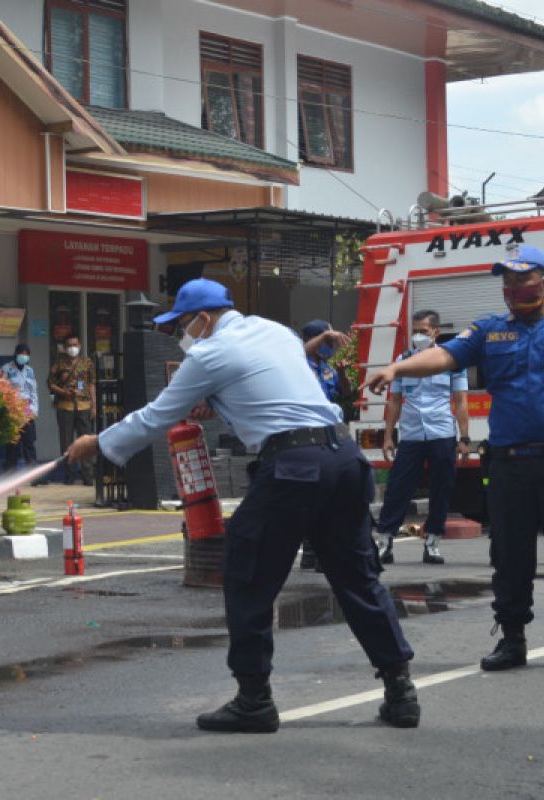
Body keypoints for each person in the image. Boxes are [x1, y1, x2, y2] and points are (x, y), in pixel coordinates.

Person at [66, 278, 419, 732]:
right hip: (343, 461)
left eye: (181, 327)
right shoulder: (275, 332)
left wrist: (97, 443)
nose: (181, 337)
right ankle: (400, 690)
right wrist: (220, 402)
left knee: (247, 572)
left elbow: (157, 416)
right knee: (357, 578)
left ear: (203, 319)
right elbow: (268, 385)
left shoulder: (209, 353)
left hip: (294, 466)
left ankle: (254, 699)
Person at [365, 245, 544, 673]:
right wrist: (398, 369)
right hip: (509, 465)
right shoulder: (490, 331)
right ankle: (512, 639)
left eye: (520, 279)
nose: (511, 288)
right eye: (506, 281)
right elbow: (447, 354)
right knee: (509, 552)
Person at [375, 310, 470, 565]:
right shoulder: (402, 361)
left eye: (423, 331)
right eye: (415, 330)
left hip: (442, 433)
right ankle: (385, 541)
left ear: (436, 332)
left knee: (442, 488)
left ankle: (433, 543)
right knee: (398, 488)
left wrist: (465, 437)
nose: (418, 336)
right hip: (412, 434)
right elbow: (394, 400)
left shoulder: (452, 361)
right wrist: (388, 436)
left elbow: (460, 401)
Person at [297, 319, 351, 570]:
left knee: (329, 494)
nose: (331, 347)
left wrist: (341, 373)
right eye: (327, 342)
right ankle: (311, 550)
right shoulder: (298, 362)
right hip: (306, 437)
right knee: (310, 495)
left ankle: (318, 551)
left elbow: (345, 393)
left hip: (330, 437)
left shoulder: (328, 369)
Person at [48, 334, 96, 486]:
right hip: (65, 406)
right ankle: (69, 476)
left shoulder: (87, 363)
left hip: (84, 406)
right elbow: (50, 384)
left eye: (75, 345)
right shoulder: (59, 364)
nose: (72, 348)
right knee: (66, 442)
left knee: (86, 442)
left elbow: (91, 384)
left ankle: (88, 476)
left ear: (79, 345)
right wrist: (63, 392)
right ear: (65, 347)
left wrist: (94, 405)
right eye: (69, 345)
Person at [1, 343, 41, 478]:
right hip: (13, 411)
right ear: (16, 353)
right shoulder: (6, 369)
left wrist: (33, 411)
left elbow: (33, 392)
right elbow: (2, 391)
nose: (24, 356)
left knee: (29, 444)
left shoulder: (30, 371)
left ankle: (33, 476)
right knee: (13, 445)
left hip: (27, 411)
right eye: (21, 353)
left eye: (26, 354)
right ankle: (9, 475)